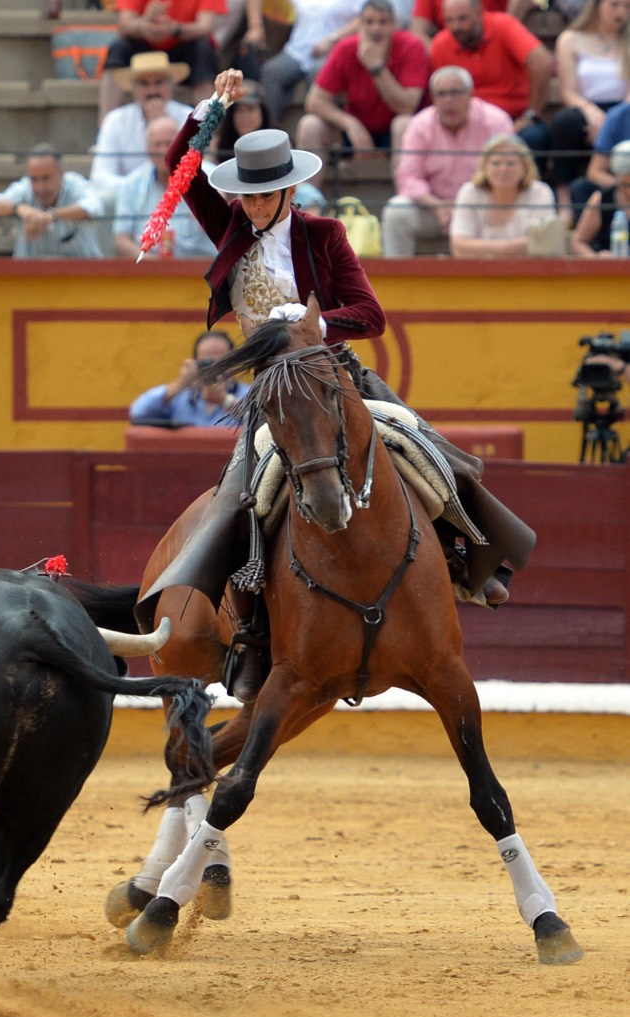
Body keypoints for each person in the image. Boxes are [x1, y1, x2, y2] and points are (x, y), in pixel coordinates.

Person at [138, 67, 534, 702]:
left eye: (268, 196)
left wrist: (316, 324)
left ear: (290, 191)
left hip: (335, 377)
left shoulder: (324, 235)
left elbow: (370, 315)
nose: (256, 206)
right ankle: (246, 630)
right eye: (249, 195)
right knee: (241, 496)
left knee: (423, 445)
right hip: (272, 395)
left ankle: (469, 558)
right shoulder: (230, 229)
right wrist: (212, 106)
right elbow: (177, 162)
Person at [295, 0, 430, 191]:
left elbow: (408, 106)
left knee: (404, 123)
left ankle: (404, 200)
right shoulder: (346, 48)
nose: (376, 28)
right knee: (310, 125)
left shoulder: (412, 46)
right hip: (357, 129)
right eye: (369, 22)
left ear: (394, 24)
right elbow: (314, 100)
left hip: (394, 131)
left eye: (383, 22)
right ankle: (307, 203)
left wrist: (376, 68)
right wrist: (350, 123)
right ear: (360, 24)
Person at [381, 66, 514, 255]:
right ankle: (394, 282)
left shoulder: (496, 121)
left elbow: (509, 172)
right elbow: (408, 177)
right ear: (433, 98)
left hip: (483, 207)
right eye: (441, 94)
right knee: (396, 211)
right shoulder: (420, 125)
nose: (448, 101)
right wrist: (437, 206)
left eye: (455, 93)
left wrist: (465, 205)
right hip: (434, 208)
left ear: (470, 94)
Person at [429, 0, 554, 162]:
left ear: (479, 13)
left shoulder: (503, 25)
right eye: (449, 21)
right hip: (466, 124)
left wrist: (531, 114)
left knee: (534, 136)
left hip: (515, 119)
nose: (456, 27)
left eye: (462, 19)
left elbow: (542, 62)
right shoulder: (440, 44)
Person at [550, 0, 630, 220]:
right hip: (585, 107)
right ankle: (564, 198)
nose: (621, 12)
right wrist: (591, 111)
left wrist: (613, 121)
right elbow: (567, 91)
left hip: (623, 108)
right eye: (614, 5)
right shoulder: (570, 39)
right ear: (596, 6)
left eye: (627, 7)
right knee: (564, 123)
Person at [90, 52, 194, 202]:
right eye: (144, 84)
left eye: (158, 82)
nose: (152, 91)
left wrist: (162, 126)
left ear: (170, 85)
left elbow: (198, 167)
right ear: (134, 89)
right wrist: (137, 189)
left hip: (179, 197)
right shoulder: (115, 120)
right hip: (130, 202)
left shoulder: (188, 117)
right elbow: (100, 176)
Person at [98, 0, 226, 122]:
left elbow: (206, 27)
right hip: (144, 45)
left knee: (204, 51)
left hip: (185, 46)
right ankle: (104, 128)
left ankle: (209, 133)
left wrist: (175, 29)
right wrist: (144, 25)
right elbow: (124, 24)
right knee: (117, 49)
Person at [212, 79, 328, 211]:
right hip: (234, 206)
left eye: (250, 109)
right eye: (239, 111)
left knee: (308, 194)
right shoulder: (219, 143)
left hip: (275, 196)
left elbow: (290, 179)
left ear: (262, 111)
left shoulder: (278, 140)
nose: (245, 116)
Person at [113, 116, 218, 258]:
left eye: (169, 143)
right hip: (151, 272)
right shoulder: (132, 184)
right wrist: (154, 266)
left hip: (202, 268)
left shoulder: (210, 176)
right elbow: (120, 241)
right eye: (157, 144)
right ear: (147, 148)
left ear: (183, 144)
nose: (163, 151)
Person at [0, 144, 104, 259]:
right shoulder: (25, 188)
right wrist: (20, 209)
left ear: (61, 174)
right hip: (30, 276)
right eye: (34, 179)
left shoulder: (75, 184)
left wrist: (51, 216)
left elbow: (94, 205)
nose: (40, 188)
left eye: (46, 178)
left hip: (82, 275)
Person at [449, 133, 558, 255]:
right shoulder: (470, 192)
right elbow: (459, 245)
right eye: (496, 163)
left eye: (511, 163)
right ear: (485, 167)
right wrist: (511, 248)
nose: (503, 169)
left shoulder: (540, 192)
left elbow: (544, 243)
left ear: (525, 167)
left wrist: (482, 248)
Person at [257, 0, 363, 124]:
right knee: (270, 72)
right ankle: (272, 133)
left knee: (318, 74)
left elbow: (364, 18)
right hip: (295, 52)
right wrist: (256, 26)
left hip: (333, 52)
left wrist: (332, 39)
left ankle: (314, 133)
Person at [129, 330, 251, 424]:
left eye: (221, 360)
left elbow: (261, 422)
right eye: (207, 361)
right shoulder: (181, 397)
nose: (215, 367)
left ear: (233, 363)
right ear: (196, 362)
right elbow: (138, 412)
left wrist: (224, 400)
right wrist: (179, 385)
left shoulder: (247, 393)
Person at [567, 99, 630, 216]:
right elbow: (595, 172)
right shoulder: (618, 116)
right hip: (620, 189)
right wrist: (625, 188)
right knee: (581, 188)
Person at [570, 138, 630, 253]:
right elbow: (578, 242)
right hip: (612, 267)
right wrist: (596, 259)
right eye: (625, 185)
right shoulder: (602, 199)